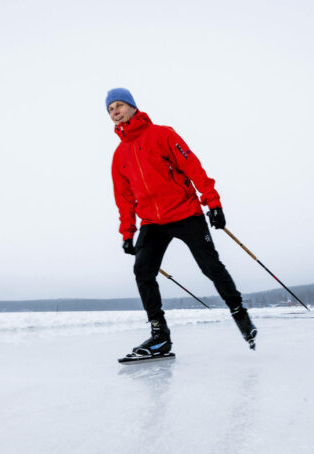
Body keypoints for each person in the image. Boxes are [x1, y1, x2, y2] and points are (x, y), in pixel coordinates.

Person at [107, 88, 257, 356]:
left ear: (132, 106)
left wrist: (213, 202)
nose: (114, 111)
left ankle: (238, 311)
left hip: (186, 212)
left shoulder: (163, 134)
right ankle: (159, 336)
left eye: (119, 105)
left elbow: (192, 166)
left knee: (209, 266)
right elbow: (124, 198)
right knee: (142, 271)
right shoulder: (119, 155)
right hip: (152, 222)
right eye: (110, 109)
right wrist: (127, 232)